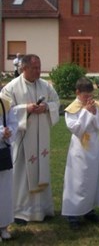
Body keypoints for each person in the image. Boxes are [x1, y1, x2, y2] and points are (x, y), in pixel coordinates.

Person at [1, 54, 60, 224]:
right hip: (22, 138)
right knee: (21, 173)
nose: (38, 71)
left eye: (39, 67)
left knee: (42, 168)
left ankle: (42, 209)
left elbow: (56, 101)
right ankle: (21, 212)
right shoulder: (11, 88)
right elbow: (6, 111)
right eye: (34, 68)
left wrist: (47, 107)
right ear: (24, 68)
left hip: (41, 137)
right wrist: (25, 109)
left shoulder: (45, 86)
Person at [61, 77, 99, 230]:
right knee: (78, 180)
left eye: (90, 95)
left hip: (94, 147)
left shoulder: (97, 106)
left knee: (91, 180)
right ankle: (73, 214)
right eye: (85, 96)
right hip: (79, 149)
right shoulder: (72, 109)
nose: (88, 99)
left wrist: (95, 114)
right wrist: (86, 113)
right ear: (77, 92)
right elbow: (76, 129)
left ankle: (88, 209)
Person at [0, 91, 18, 240]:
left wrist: (9, 131)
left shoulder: (4, 103)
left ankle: (3, 226)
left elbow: (13, 122)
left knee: (4, 191)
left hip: (2, 151)